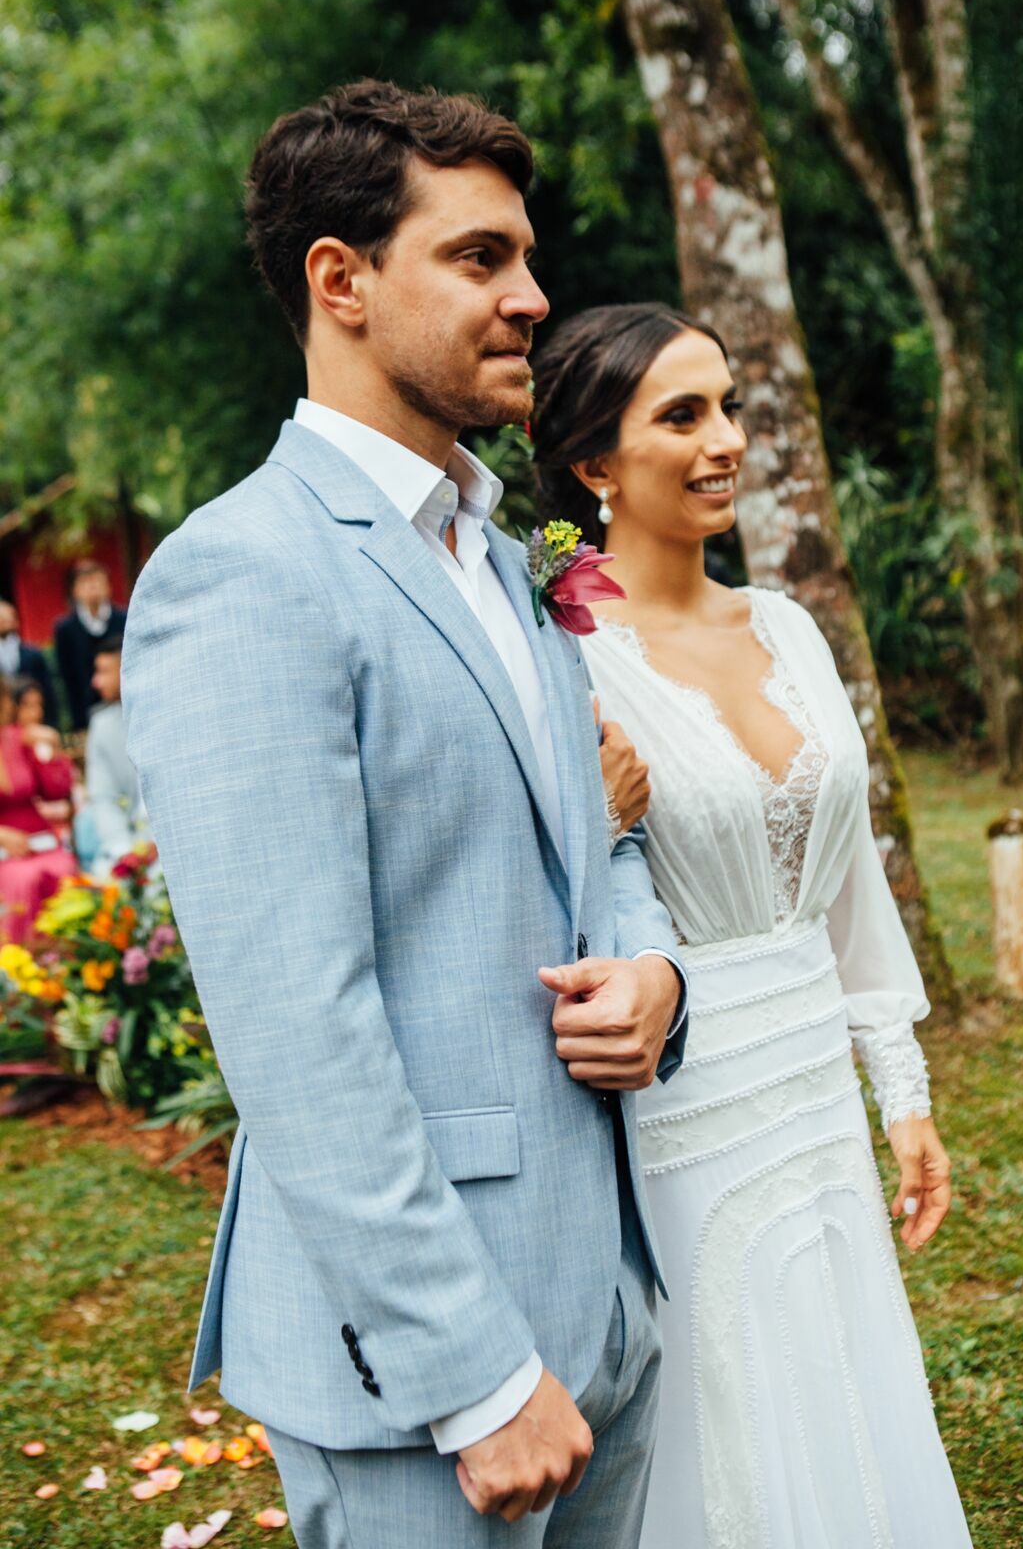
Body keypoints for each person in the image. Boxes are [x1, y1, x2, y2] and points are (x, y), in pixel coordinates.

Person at [122, 81, 687, 1549]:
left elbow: (596, 842)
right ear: (341, 280)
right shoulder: (243, 574)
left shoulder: (507, 561)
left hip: (606, 1298)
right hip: (428, 1375)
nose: (532, 297)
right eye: (480, 258)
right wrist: (474, 1374)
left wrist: (652, 975)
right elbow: (292, 1024)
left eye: (525, 257)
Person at [531, 302, 973, 1548]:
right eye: (681, 414)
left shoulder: (783, 625)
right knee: (727, 1416)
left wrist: (899, 1085)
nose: (725, 438)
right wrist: (586, 810)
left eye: (727, 405)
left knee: (845, 1387)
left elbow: (847, 882)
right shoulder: (563, 662)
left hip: (814, 1097)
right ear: (592, 464)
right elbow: (549, 890)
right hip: (685, 1106)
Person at [0, 675, 77, 943]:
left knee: (64, 868)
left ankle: (73, 958)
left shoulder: (17, 738)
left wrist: (51, 752)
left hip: (39, 840)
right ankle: (21, 964)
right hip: (6, 849)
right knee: (25, 879)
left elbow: (55, 791)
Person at [78, 634, 150, 876]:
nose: (95, 682)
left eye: (104, 671)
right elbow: (103, 798)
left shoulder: (168, 712)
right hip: (131, 844)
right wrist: (123, 852)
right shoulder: (102, 726)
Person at [53, 559, 127, 731]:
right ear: (75, 591)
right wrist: (79, 723)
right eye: (85, 582)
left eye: (97, 581)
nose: (92, 587)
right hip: (88, 712)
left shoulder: (124, 619)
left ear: (108, 586)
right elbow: (68, 679)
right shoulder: (65, 630)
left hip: (125, 706)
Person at [0, 600, 58, 726]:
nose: (4, 622)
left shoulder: (33, 654)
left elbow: (48, 690)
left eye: (7, 618)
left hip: (34, 719)